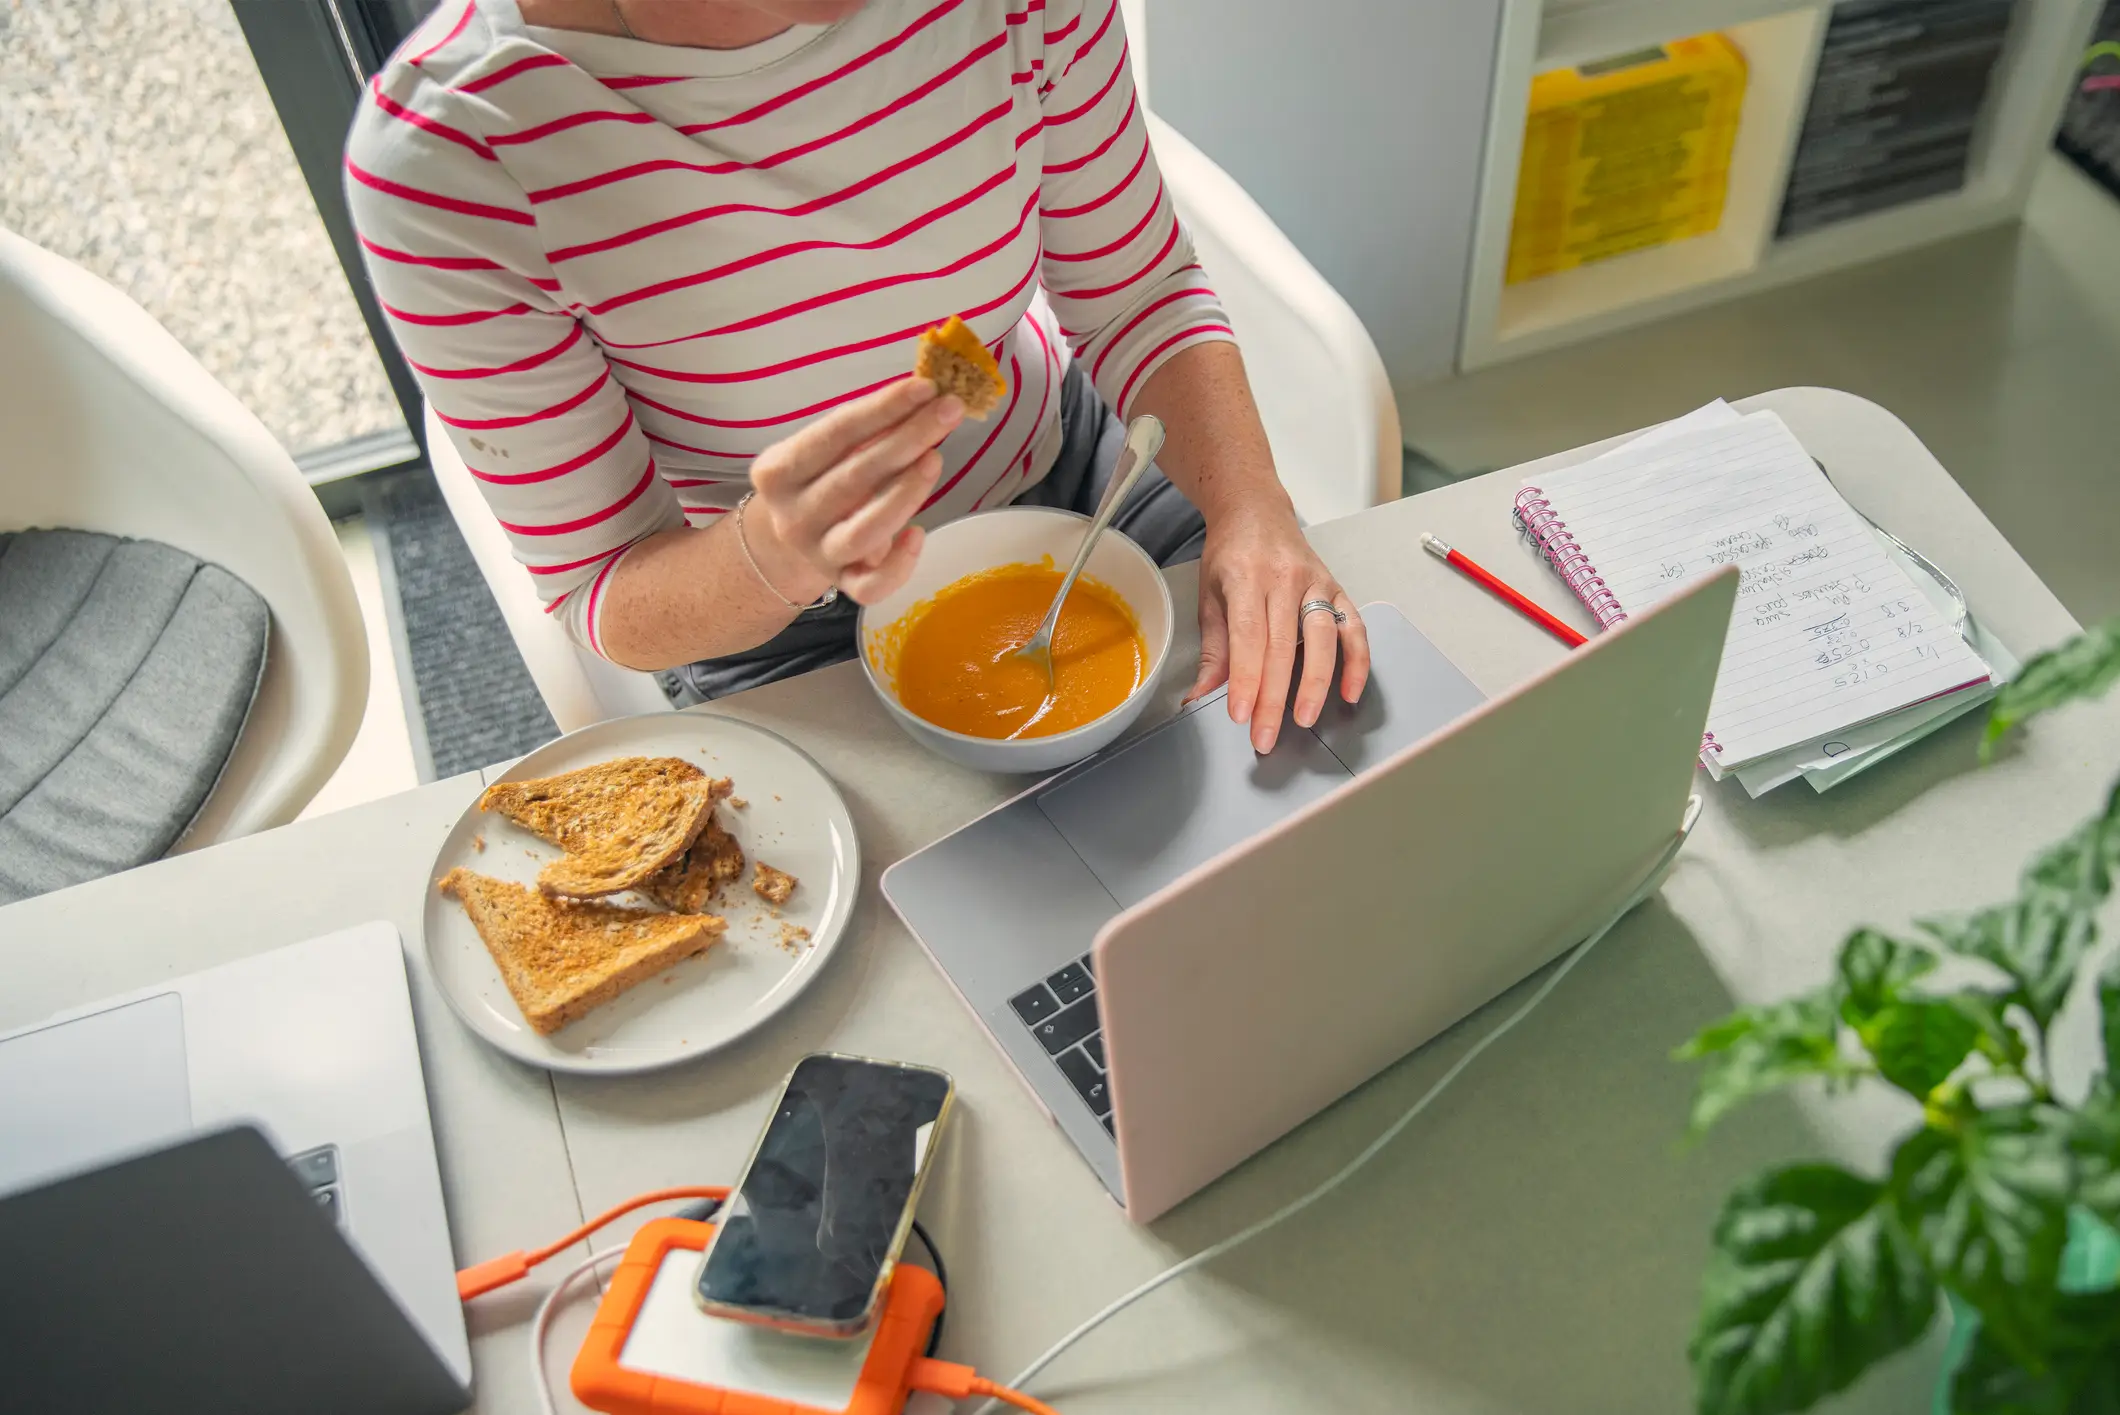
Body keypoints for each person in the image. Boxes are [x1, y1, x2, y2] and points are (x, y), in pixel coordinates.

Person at [347, 0, 1367, 753]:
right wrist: (771, 555)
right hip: (782, 619)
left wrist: (1251, 507)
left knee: (1317, 763)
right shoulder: (455, 160)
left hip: (1081, 479)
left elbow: (1134, 288)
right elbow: (603, 583)